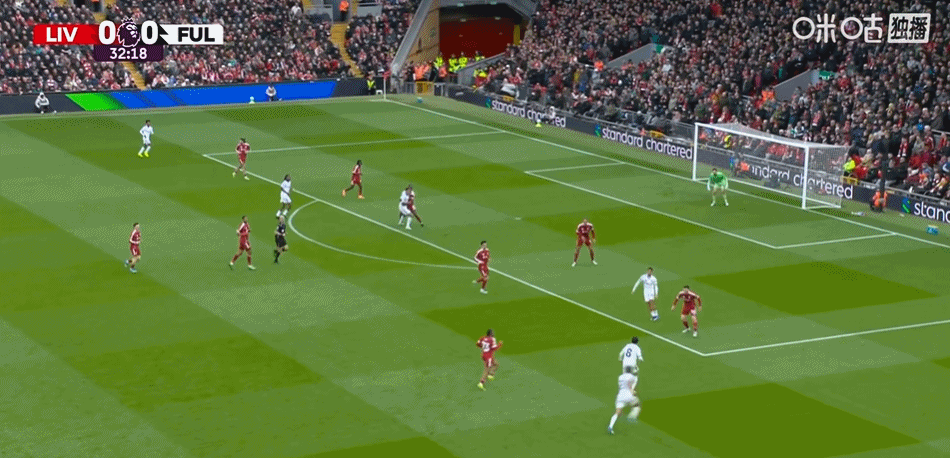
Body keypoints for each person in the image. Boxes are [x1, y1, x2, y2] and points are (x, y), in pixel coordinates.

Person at [608, 366, 641, 435]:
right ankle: (632, 417)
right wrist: (636, 374)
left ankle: (610, 426)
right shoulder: (632, 377)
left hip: (620, 396)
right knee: (637, 405)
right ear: (631, 370)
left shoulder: (620, 377)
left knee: (617, 412)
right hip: (628, 395)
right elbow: (633, 384)